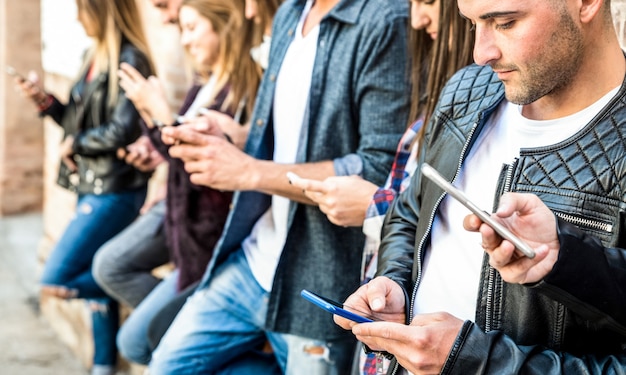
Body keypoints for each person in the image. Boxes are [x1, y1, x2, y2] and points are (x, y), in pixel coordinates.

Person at [334, 0, 626, 373]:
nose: (480, 53)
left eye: (505, 23)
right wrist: (394, 284)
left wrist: (478, 362)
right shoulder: (466, 89)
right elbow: (411, 211)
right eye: (472, 24)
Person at [150, 0, 410, 372]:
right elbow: (283, 140)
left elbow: (377, 173)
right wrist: (234, 140)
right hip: (253, 260)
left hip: (320, 283)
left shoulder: (385, 19)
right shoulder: (292, 12)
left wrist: (249, 171)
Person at [292, 0, 474, 373]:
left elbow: (456, 225)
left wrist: (374, 207)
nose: (417, 20)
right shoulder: (443, 97)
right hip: (396, 321)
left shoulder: (480, 107)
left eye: (426, 3)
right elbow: (415, 210)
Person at [91, 0, 263, 368]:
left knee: (138, 342)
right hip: (184, 230)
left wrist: (159, 116)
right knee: (126, 306)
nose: (184, 39)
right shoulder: (205, 80)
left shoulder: (243, 92)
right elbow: (180, 153)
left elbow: (213, 178)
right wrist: (154, 138)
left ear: (224, 28)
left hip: (209, 244)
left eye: (191, 28)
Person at [14, 0, 155, 374]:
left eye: (82, 9)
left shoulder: (130, 59)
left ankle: (145, 286)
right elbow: (77, 123)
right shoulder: (92, 56)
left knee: (56, 276)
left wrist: (76, 145)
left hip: (116, 188)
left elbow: (121, 130)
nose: (77, 18)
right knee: (98, 294)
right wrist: (45, 102)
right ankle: (103, 364)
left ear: (102, 10)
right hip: (89, 184)